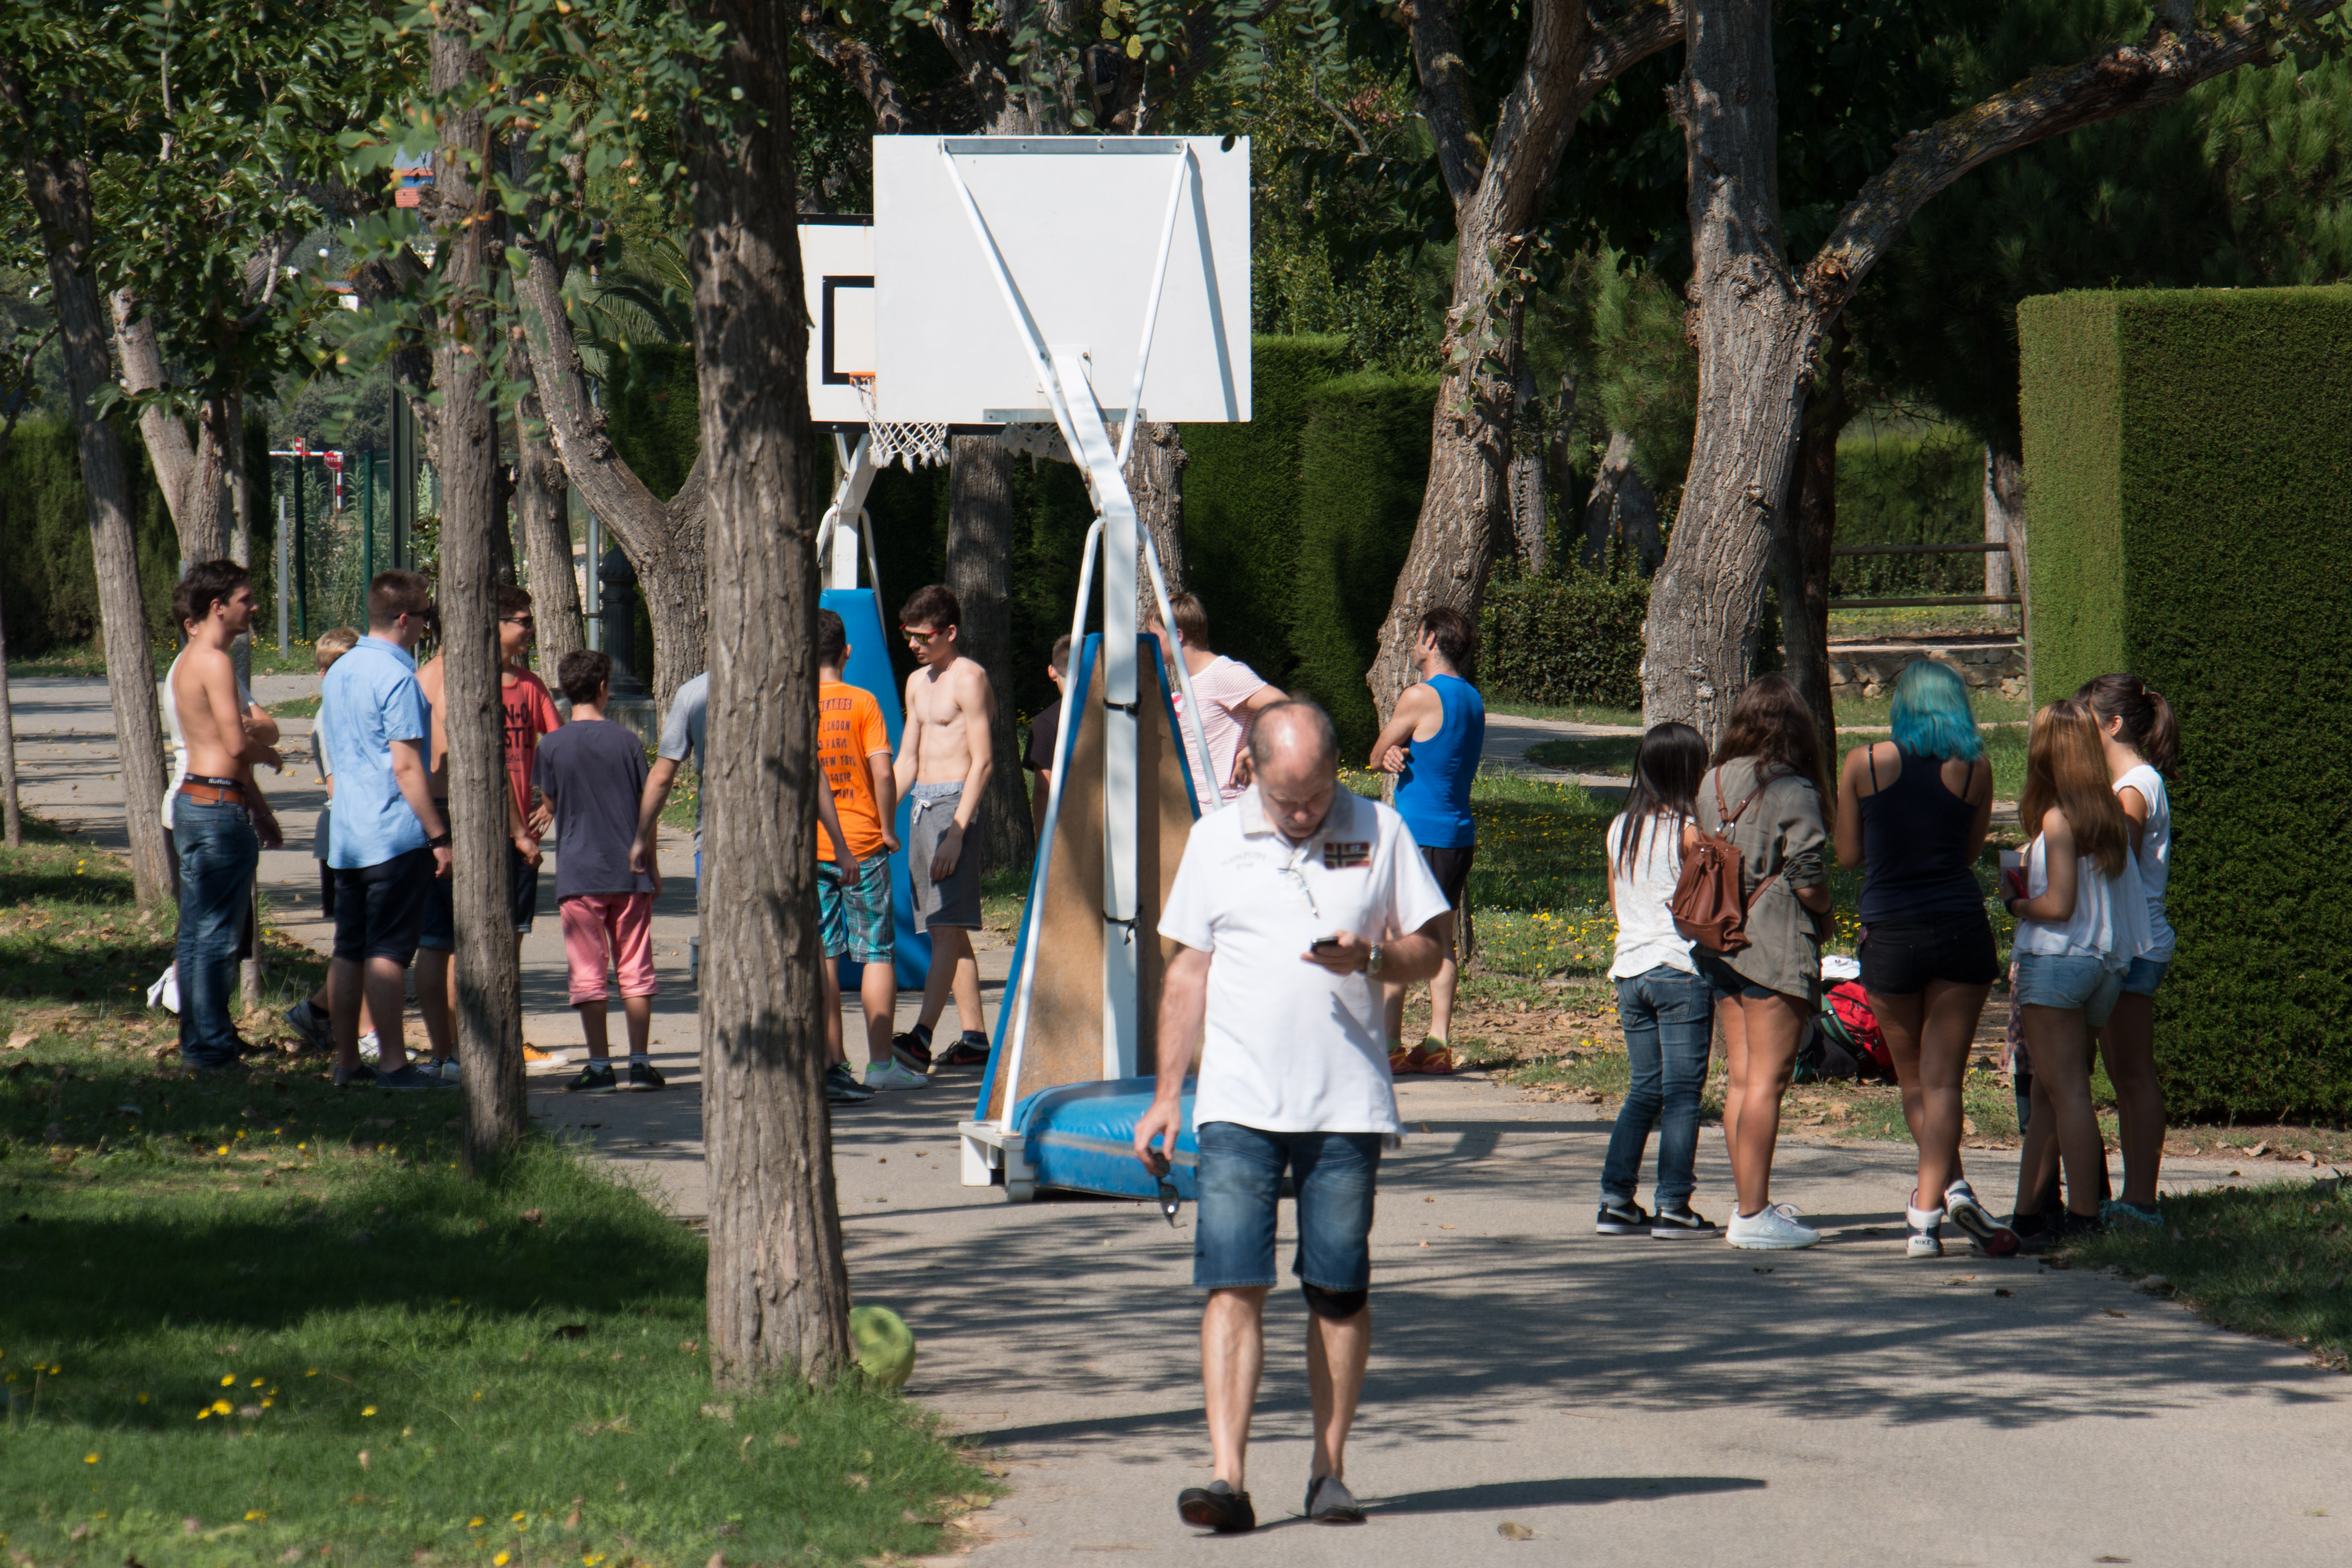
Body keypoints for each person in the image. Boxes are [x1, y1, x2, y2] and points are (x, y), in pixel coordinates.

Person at [1135, 701, 1452, 1533]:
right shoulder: (1215, 839)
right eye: (1285, 800)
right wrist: (1166, 1096)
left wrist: (1373, 956)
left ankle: (1328, 1470)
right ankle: (1227, 1476)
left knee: (1338, 1290)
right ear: (1253, 774)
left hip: (1346, 1103)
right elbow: (1187, 974)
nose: (1303, 814)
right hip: (1237, 1102)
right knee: (1232, 1279)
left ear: (1336, 771)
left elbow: (1432, 943)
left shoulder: (1380, 829)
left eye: (1315, 796)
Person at [1834, 662, 2018, 1260]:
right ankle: (1945, 1196)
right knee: (1945, 1082)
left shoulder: (1863, 763)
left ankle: (1926, 1211)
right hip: (1959, 927)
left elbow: (1847, 854)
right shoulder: (1976, 769)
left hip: (1890, 931)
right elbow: (1967, 853)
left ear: (1901, 706)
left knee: (1913, 1080)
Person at [2002, 699, 2149, 1245]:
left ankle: (2084, 1217)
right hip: (2103, 965)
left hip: (2057, 964)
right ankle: (2028, 1215)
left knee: (2066, 1093)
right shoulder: (2109, 816)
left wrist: (2015, 902)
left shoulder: (2057, 817)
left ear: (2045, 751)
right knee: (2051, 1092)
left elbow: (2058, 905)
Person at [1698, 672, 1835, 1252]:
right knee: (1768, 1082)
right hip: (1771, 943)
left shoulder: (1713, 780)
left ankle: (1748, 1202)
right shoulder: (1794, 787)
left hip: (1718, 939)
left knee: (1741, 1079)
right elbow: (1808, 877)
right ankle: (1753, 1214)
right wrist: (1827, 915)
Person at [319, 570, 451, 1091]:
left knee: (349, 948)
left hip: (348, 834)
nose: (426, 627)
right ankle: (395, 1064)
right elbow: (407, 766)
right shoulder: (398, 677)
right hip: (393, 834)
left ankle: (348, 1061)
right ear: (404, 619)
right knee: (390, 952)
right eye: (425, 617)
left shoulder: (341, 670)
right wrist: (438, 835)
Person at [1596, 722, 1718, 1239]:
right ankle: (1673, 1204)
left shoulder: (1620, 827)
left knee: (1644, 1090)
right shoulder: (1689, 831)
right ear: (1690, 771)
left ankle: (1615, 1200)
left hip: (1630, 967)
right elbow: (1706, 904)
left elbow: (1617, 900)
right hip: (1678, 968)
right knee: (1683, 1094)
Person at [166, 561, 285, 1071]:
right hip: (216, 809)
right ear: (217, 607)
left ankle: (202, 1037)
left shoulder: (189, 659)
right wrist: (270, 754)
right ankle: (211, 1047)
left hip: (199, 802)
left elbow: (222, 741)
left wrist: (258, 806)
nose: (254, 607)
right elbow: (236, 743)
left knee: (197, 932)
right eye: (245, 599)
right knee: (217, 936)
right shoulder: (213, 661)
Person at [537, 649, 665, 1093]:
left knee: (588, 972)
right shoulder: (628, 742)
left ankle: (599, 1066)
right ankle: (640, 1063)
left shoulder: (551, 745)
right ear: (604, 687)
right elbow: (647, 808)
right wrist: (653, 865)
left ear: (565, 691)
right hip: (629, 872)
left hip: (579, 875)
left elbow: (550, 801)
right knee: (636, 968)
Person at [2077, 673, 2177, 1228]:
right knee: (2124, 1073)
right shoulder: (2135, 782)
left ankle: (2141, 1201)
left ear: (2113, 725)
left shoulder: (2134, 786)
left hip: (2135, 946)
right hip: (2133, 942)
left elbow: (2117, 861)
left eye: (2086, 722)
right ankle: (2133, 1198)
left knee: (2132, 1074)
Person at [1368, 606, 1485, 1075]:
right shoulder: (1472, 699)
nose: (1414, 644)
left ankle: (1389, 1047)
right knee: (1441, 941)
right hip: (1458, 836)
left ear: (1432, 640)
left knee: (1397, 939)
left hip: (1418, 837)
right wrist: (1400, 753)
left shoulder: (1419, 695)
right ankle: (1437, 1043)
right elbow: (1439, 751)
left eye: (1418, 636)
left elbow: (1376, 754)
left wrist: (1388, 753)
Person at [890, 584, 995, 1071]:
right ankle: (975, 1039)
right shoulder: (917, 682)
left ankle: (921, 1038)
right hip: (921, 806)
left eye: (923, 636)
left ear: (949, 632)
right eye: (908, 635)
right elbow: (907, 759)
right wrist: (876, 814)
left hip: (955, 806)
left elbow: (984, 762)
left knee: (945, 926)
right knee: (946, 929)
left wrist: (956, 831)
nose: (914, 644)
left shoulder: (970, 678)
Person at [815, 609, 919, 1095]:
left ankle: (833, 1061)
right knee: (876, 952)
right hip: (862, 843)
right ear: (847, 652)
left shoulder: (796, 704)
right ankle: (880, 1063)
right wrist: (888, 828)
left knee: (824, 955)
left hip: (813, 847)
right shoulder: (863, 701)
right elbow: (882, 771)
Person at [285, 628, 368, 1056]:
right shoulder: (330, 715)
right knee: (362, 942)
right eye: (338, 667)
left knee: (365, 940)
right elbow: (337, 786)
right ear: (322, 673)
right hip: (347, 831)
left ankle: (318, 1010)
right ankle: (364, 1032)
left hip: (355, 829)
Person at [1147, 592, 1286, 814]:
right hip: (1197, 810)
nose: (1149, 642)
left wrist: (1254, 750)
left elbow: (1288, 709)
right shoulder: (1193, 681)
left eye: (1154, 635)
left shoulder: (1222, 674)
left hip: (1229, 811)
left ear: (1178, 635)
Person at [633, 668, 707, 980]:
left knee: (720, 931)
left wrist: (641, 837)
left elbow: (663, 776)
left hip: (714, 841)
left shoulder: (695, 691)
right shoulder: (788, 681)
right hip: (787, 842)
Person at [1024, 635, 1072, 832]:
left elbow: (1044, 790)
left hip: (1069, 829)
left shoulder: (1046, 722)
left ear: (1052, 672)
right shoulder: (1112, 713)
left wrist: (1042, 842)